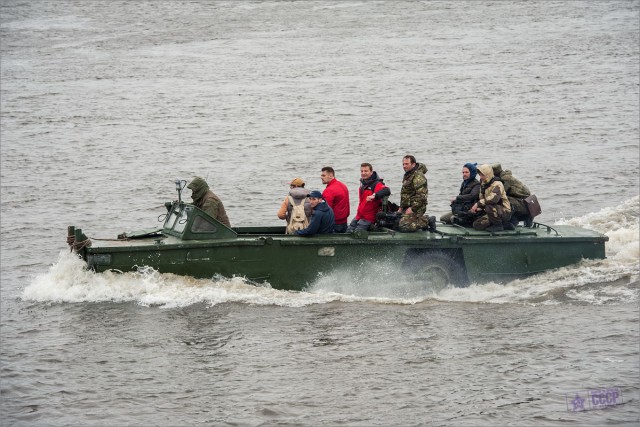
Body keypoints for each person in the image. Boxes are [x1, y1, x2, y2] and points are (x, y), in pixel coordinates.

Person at [346, 163, 391, 232]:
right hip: (359, 216)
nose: (363, 173)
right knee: (348, 230)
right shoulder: (363, 184)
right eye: (362, 171)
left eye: (366, 171)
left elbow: (387, 190)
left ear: (371, 172)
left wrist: (374, 195)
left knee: (358, 233)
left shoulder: (377, 184)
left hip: (369, 218)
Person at [469, 164, 513, 232]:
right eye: (480, 175)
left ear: (488, 174)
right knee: (477, 225)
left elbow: (493, 199)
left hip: (504, 211)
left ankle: (498, 225)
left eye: (482, 175)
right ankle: (505, 224)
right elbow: (482, 198)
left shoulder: (497, 184)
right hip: (493, 211)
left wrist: (478, 204)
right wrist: (478, 208)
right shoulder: (483, 185)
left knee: (489, 206)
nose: (481, 177)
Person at [440, 162, 481, 226]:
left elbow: (472, 196)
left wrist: (457, 198)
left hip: (469, 211)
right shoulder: (464, 183)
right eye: (463, 172)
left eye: (466, 172)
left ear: (472, 173)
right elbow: (461, 195)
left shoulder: (477, 184)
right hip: (461, 210)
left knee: (453, 219)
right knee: (443, 218)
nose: (464, 174)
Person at [397, 155, 430, 232]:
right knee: (394, 220)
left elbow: (422, 196)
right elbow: (405, 194)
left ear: (413, 164)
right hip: (407, 206)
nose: (404, 166)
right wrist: (401, 207)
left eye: (407, 164)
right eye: (403, 164)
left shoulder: (418, 176)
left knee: (403, 226)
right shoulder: (408, 175)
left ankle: (426, 220)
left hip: (418, 208)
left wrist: (412, 208)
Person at [320, 166, 350, 233]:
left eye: (323, 175)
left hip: (335, 223)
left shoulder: (329, 191)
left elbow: (325, 210)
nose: (321, 177)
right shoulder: (343, 185)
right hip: (344, 221)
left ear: (330, 176)